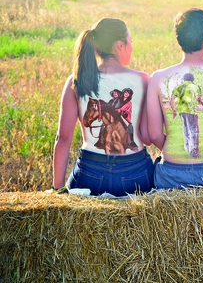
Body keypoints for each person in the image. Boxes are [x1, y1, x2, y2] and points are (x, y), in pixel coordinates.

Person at [52, 18, 155, 196]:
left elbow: (63, 138)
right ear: (119, 45)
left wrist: (57, 189)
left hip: (89, 173)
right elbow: (146, 137)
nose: (132, 47)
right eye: (130, 42)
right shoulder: (142, 79)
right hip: (135, 172)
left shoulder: (76, 80)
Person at [147, 8, 203, 189]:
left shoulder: (158, 78)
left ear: (179, 40)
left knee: (185, 129)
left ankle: (187, 149)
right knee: (194, 130)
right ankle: (194, 151)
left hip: (171, 176)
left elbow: (155, 135)